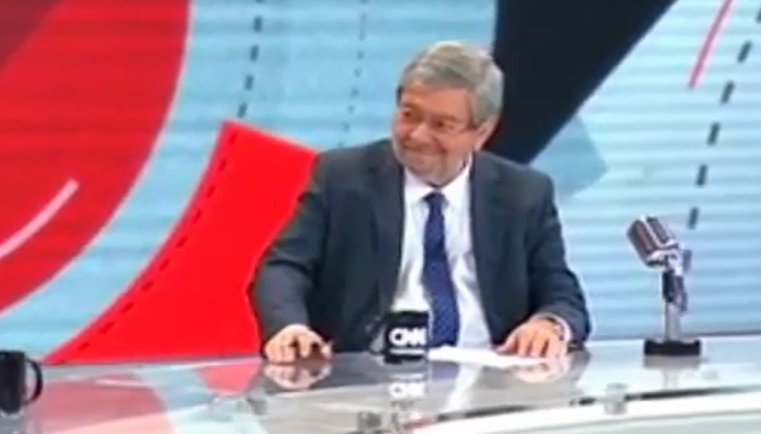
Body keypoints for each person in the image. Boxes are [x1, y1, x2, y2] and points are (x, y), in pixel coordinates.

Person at [249, 41, 591, 364]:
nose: (417, 135)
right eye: (409, 115)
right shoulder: (343, 178)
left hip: (489, 381)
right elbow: (284, 267)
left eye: (442, 125)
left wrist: (549, 324)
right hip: (368, 382)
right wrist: (289, 327)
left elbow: (560, 291)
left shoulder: (524, 193)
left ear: (482, 132)